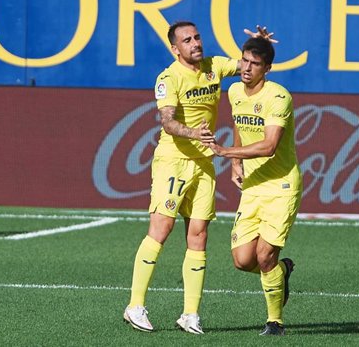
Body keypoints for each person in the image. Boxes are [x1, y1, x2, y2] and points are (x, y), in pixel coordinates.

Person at [123, 21, 275, 335]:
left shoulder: (214, 67)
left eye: (197, 37)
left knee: (198, 235)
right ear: (174, 48)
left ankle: (190, 315)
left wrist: (259, 45)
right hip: (173, 161)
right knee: (161, 227)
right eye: (186, 40)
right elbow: (167, 122)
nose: (195, 43)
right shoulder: (168, 78)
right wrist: (194, 132)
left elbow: (251, 67)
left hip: (204, 163)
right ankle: (135, 305)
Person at [209, 37, 302, 336]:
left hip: (281, 185)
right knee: (242, 260)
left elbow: (270, 146)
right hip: (253, 185)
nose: (247, 68)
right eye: (245, 61)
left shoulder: (279, 97)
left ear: (268, 69)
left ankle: (275, 322)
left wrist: (226, 153)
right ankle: (281, 271)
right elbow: (239, 121)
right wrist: (237, 163)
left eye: (255, 64)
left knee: (264, 256)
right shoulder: (234, 90)